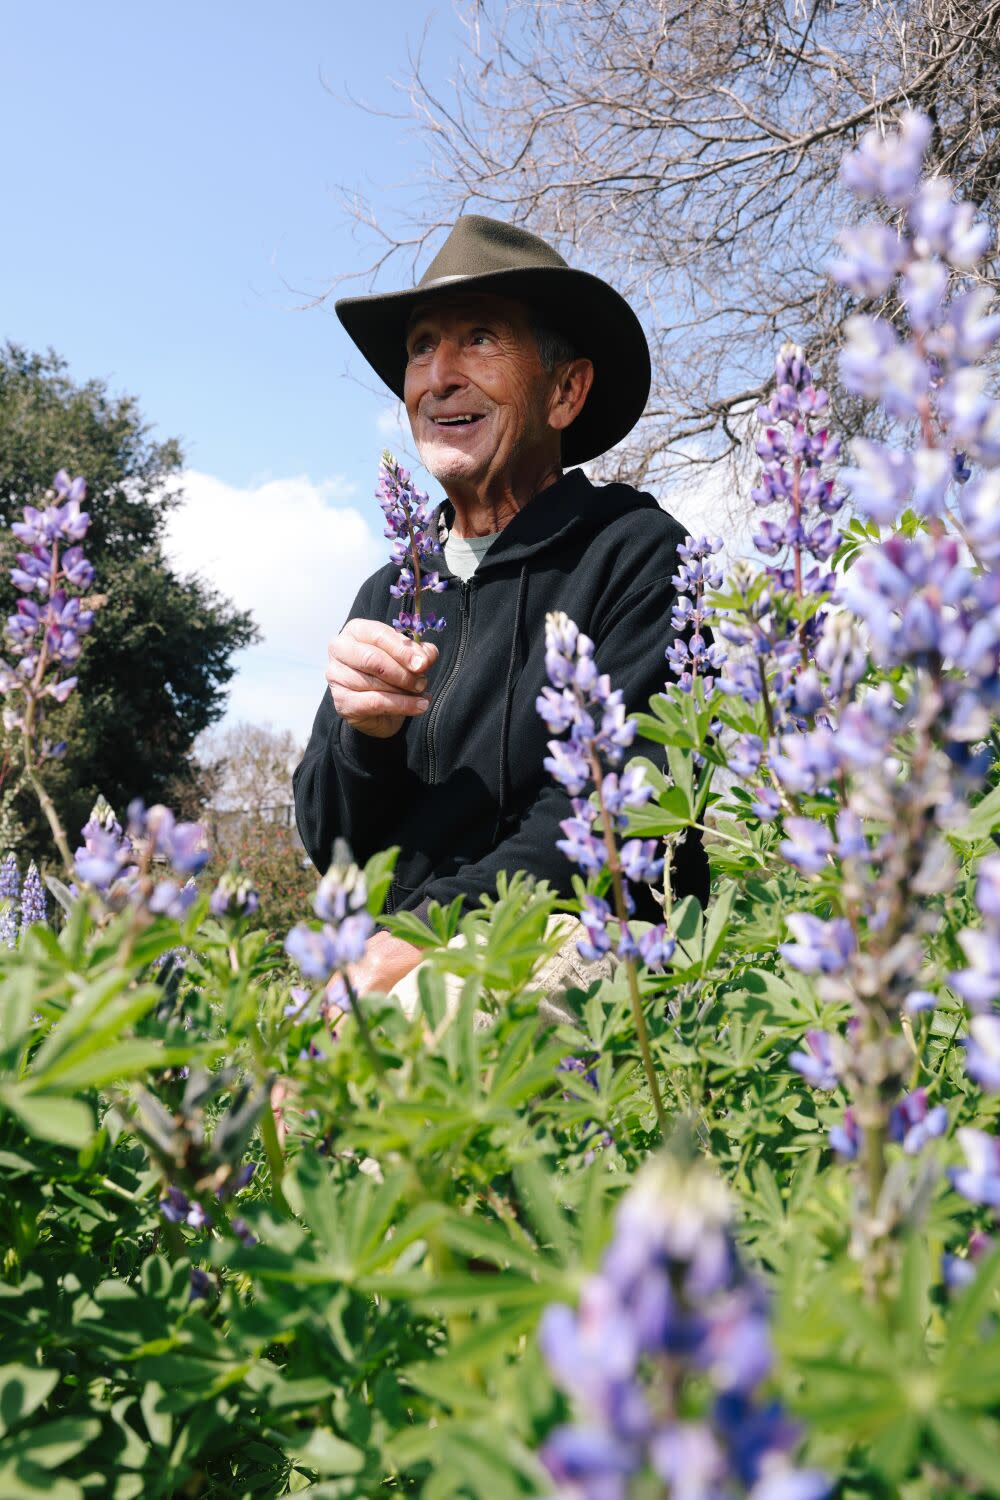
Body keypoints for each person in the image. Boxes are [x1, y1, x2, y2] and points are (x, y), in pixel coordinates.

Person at [293, 214, 709, 999]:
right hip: (390, 954)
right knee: (253, 1100)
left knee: (390, 1046)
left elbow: (614, 804)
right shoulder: (391, 592)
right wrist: (365, 739)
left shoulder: (639, 554)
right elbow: (332, 847)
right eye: (421, 347)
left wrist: (426, 934)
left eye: (479, 338)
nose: (438, 375)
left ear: (564, 390)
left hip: (576, 935)